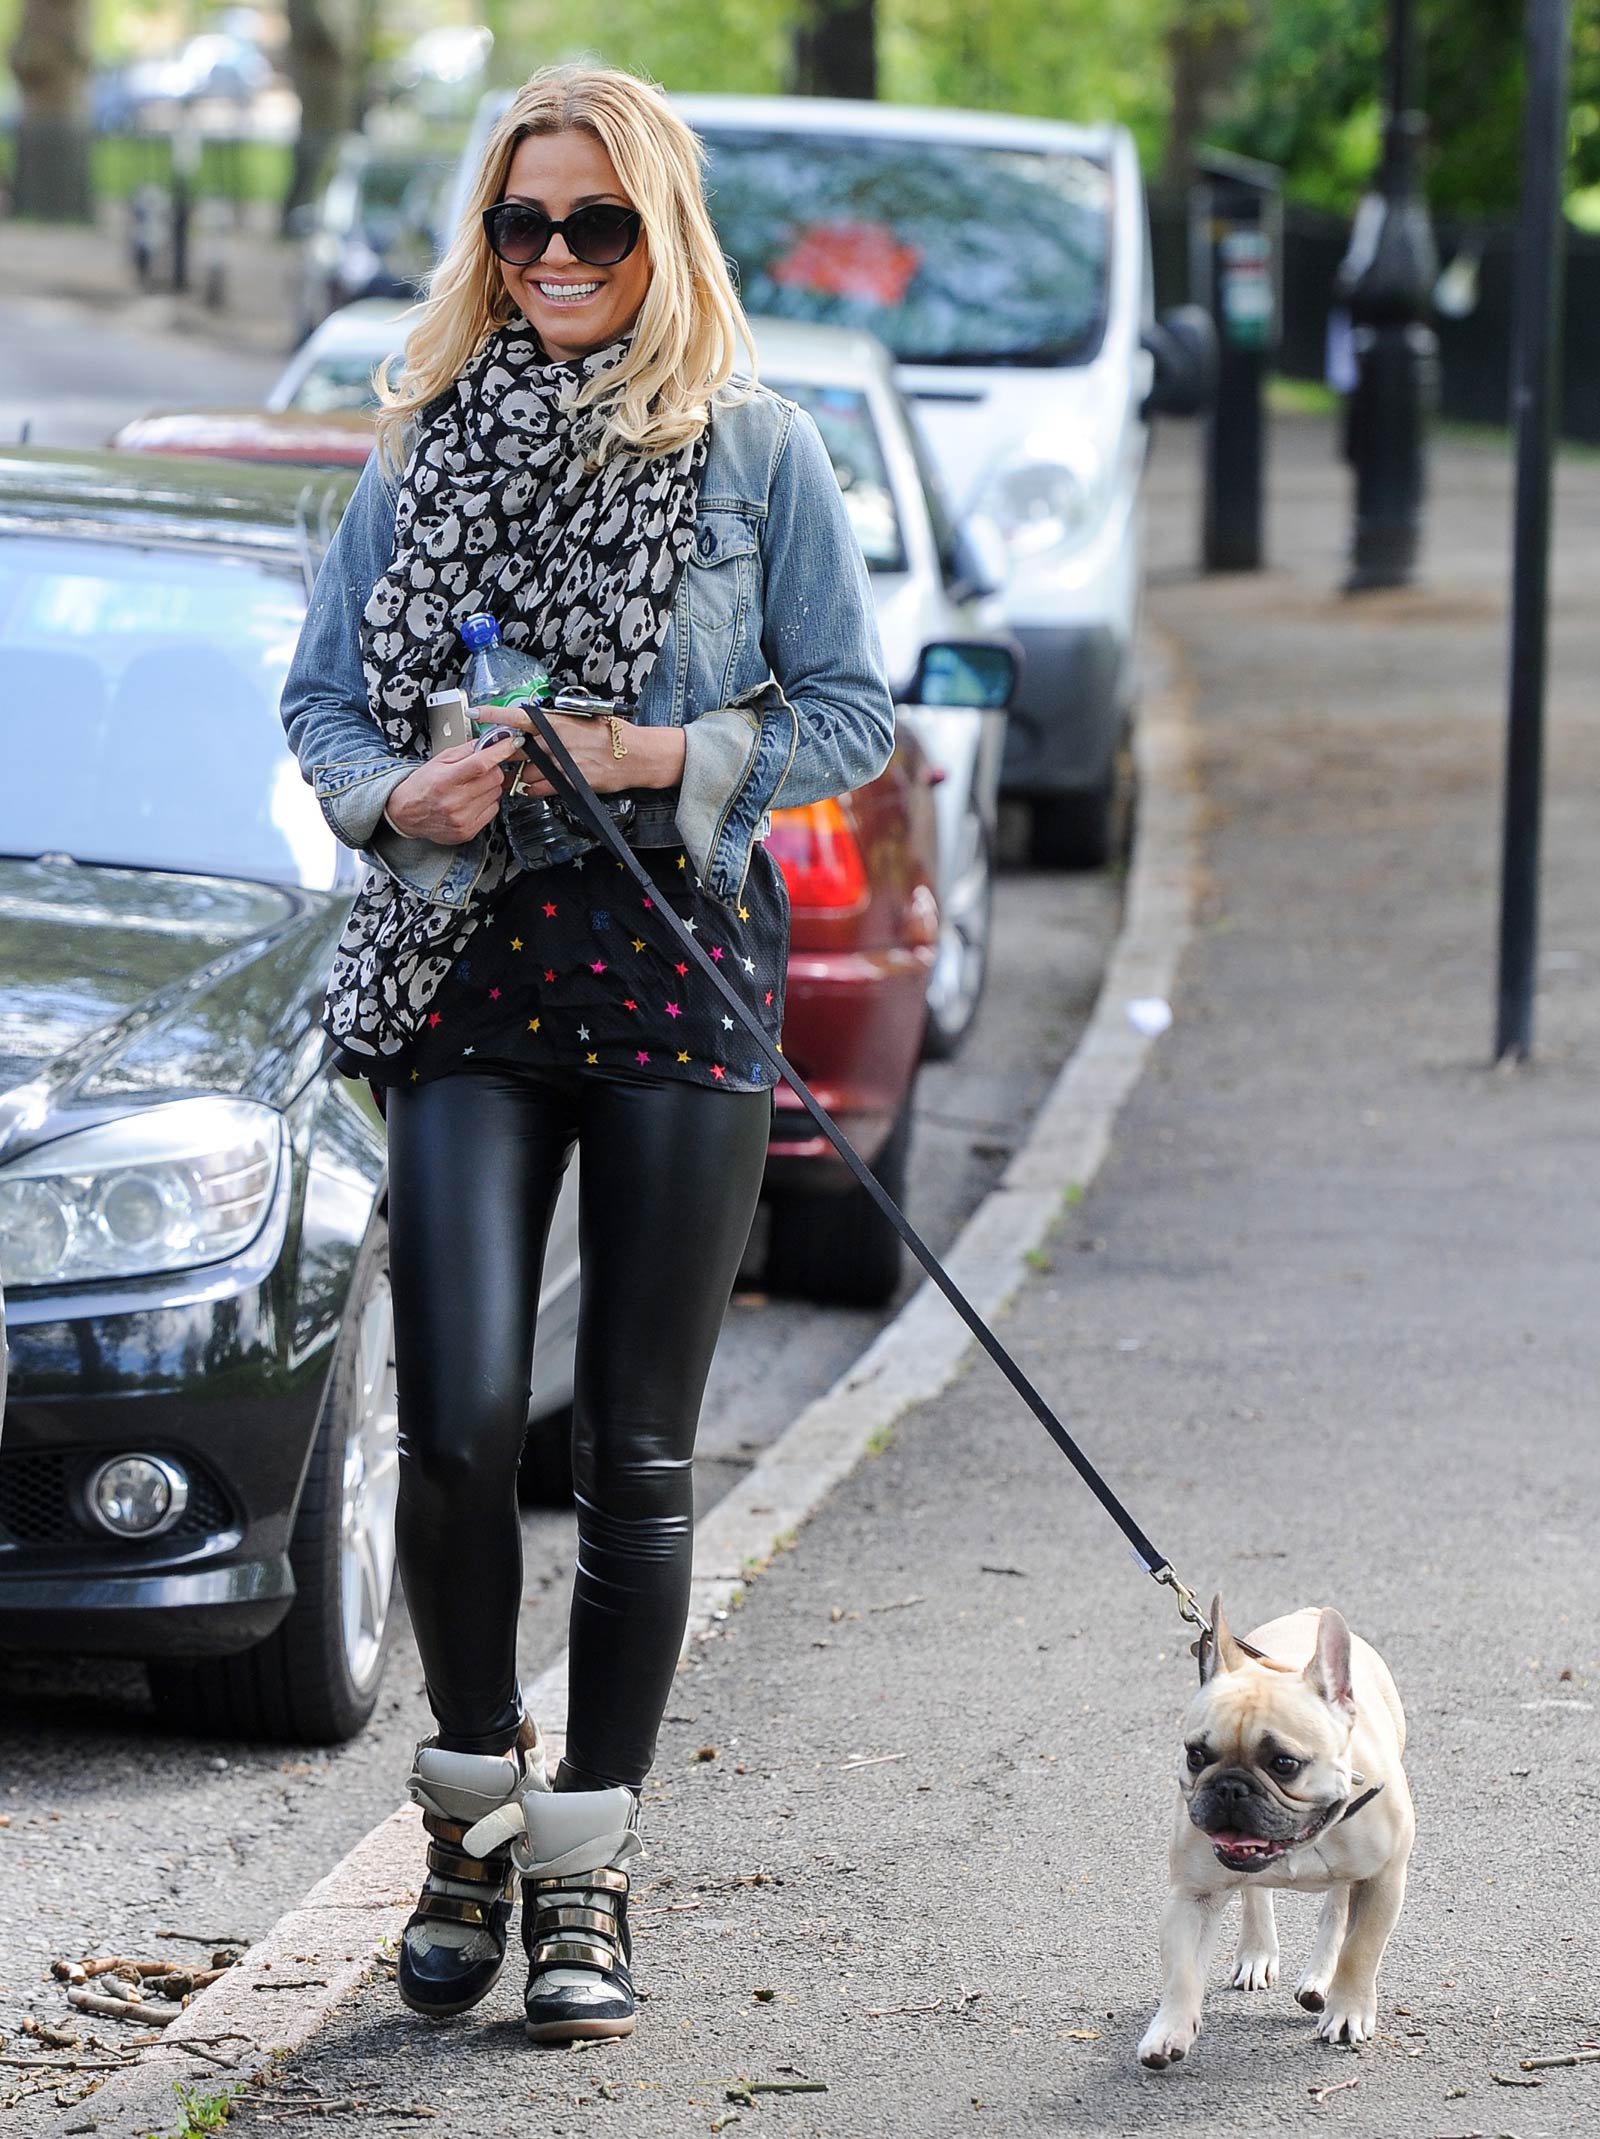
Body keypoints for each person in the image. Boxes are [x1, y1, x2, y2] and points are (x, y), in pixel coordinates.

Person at [280, 63, 894, 2043]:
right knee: (460, 1422)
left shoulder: (755, 450)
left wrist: (661, 754)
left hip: (672, 966)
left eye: (593, 226)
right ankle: (469, 1804)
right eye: (518, 225)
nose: (551, 259)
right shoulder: (413, 445)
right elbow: (315, 709)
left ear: (661, 240)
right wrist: (402, 801)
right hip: (461, 965)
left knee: (630, 1453)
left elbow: (847, 712)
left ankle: (585, 1865)